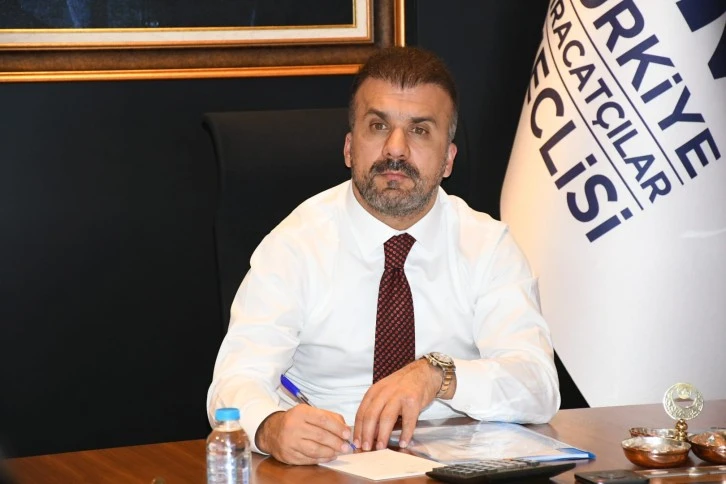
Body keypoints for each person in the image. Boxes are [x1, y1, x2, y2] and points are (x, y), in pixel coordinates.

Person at [207, 46, 560, 466]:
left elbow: (539, 386)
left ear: (448, 159)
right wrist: (270, 426)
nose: (396, 150)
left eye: (420, 130)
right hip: (327, 463)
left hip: (452, 465)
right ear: (349, 148)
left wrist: (438, 374)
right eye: (378, 126)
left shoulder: (487, 245)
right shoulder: (296, 244)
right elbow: (236, 379)